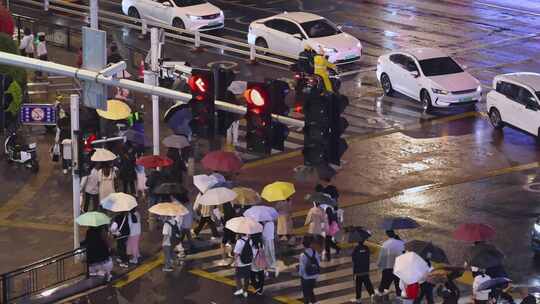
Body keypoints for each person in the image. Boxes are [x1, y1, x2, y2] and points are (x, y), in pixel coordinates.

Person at [377, 230, 404, 296]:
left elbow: (382, 257)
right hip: (399, 268)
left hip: (388, 268)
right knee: (398, 286)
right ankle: (399, 298)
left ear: (387, 235)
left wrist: (379, 266)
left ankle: (382, 298)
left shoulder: (386, 244)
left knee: (384, 285)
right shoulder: (402, 243)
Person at [299, 235, 322, 304]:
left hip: (306, 277)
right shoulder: (315, 253)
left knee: (306, 294)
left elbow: (302, 269)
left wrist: (300, 275)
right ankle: (314, 302)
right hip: (314, 276)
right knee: (310, 291)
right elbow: (318, 263)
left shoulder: (303, 255)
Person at [351, 237, 374, 303]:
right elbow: (368, 256)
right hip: (366, 270)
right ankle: (372, 296)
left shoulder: (356, 249)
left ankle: (358, 299)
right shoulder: (366, 248)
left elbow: (353, 259)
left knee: (358, 286)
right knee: (368, 284)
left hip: (358, 271)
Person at [233, 234, 254, 298]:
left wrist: (235, 261)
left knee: (237, 276)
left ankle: (239, 289)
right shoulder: (251, 240)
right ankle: (245, 291)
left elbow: (236, 253)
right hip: (248, 262)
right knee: (247, 277)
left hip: (240, 262)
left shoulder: (239, 241)